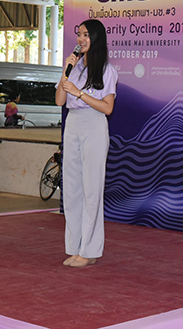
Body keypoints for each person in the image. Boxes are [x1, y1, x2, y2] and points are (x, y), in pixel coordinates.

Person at [55, 19, 118, 268]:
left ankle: (90, 250)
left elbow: (108, 107)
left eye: (86, 35)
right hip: (72, 123)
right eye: (79, 34)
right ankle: (75, 247)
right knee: (71, 189)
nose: (80, 39)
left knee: (91, 189)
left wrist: (80, 93)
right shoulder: (73, 67)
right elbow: (60, 101)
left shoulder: (106, 70)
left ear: (96, 38)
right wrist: (65, 72)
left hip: (94, 123)